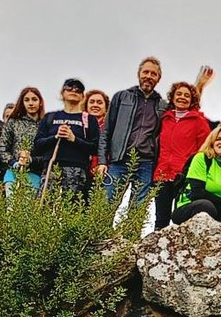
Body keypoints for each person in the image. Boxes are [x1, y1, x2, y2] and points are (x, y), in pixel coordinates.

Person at [103, 57, 164, 205]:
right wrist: (102, 161)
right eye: (146, 72)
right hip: (119, 160)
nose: (149, 76)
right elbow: (106, 131)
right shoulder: (122, 97)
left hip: (145, 163)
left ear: (158, 79)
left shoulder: (162, 105)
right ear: (139, 74)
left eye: (153, 74)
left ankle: (131, 230)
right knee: (106, 205)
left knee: (137, 210)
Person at [152, 80, 212, 228]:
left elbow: (204, 149)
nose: (182, 98)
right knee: (161, 217)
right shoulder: (164, 119)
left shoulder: (199, 121)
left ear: (192, 100)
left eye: (187, 95)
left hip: (184, 176)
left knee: (182, 216)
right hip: (162, 174)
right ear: (172, 97)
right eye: (179, 94)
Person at [172, 125, 221, 226]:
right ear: (212, 143)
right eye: (218, 139)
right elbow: (197, 192)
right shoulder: (202, 158)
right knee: (206, 206)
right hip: (190, 207)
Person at [33, 81, 99, 201]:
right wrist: (55, 137)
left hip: (77, 171)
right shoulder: (50, 117)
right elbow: (37, 145)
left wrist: (74, 139)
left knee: (72, 212)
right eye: (69, 88)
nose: (74, 90)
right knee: (46, 211)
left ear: (82, 96)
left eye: (78, 89)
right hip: (51, 169)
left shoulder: (89, 119)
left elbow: (95, 148)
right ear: (62, 93)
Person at [0, 87, 47, 190]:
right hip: (13, 173)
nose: (31, 103)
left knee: (29, 206)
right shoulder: (13, 122)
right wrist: (13, 162)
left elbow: (47, 154)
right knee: (12, 206)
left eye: (34, 99)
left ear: (40, 102)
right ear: (22, 103)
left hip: (34, 174)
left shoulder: (45, 125)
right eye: (27, 100)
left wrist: (32, 160)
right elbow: (3, 146)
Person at [83, 90, 110, 185]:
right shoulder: (79, 125)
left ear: (106, 108)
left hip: (105, 172)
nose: (95, 105)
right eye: (91, 102)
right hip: (81, 172)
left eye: (99, 103)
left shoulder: (111, 127)